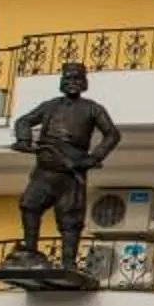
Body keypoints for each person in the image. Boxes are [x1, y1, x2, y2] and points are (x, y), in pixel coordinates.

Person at [9, 62, 121, 268]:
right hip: (45, 169)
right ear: (62, 82)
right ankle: (31, 251)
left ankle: (68, 263)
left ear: (84, 83)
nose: (72, 83)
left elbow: (112, 134)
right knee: (29, 206)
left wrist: (93, 158)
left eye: (77, 79)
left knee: (70, 219)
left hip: (72, 171)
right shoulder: (50, 105)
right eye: (68, 79)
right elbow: (23, 121)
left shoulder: (93, 109)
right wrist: (24, 141)